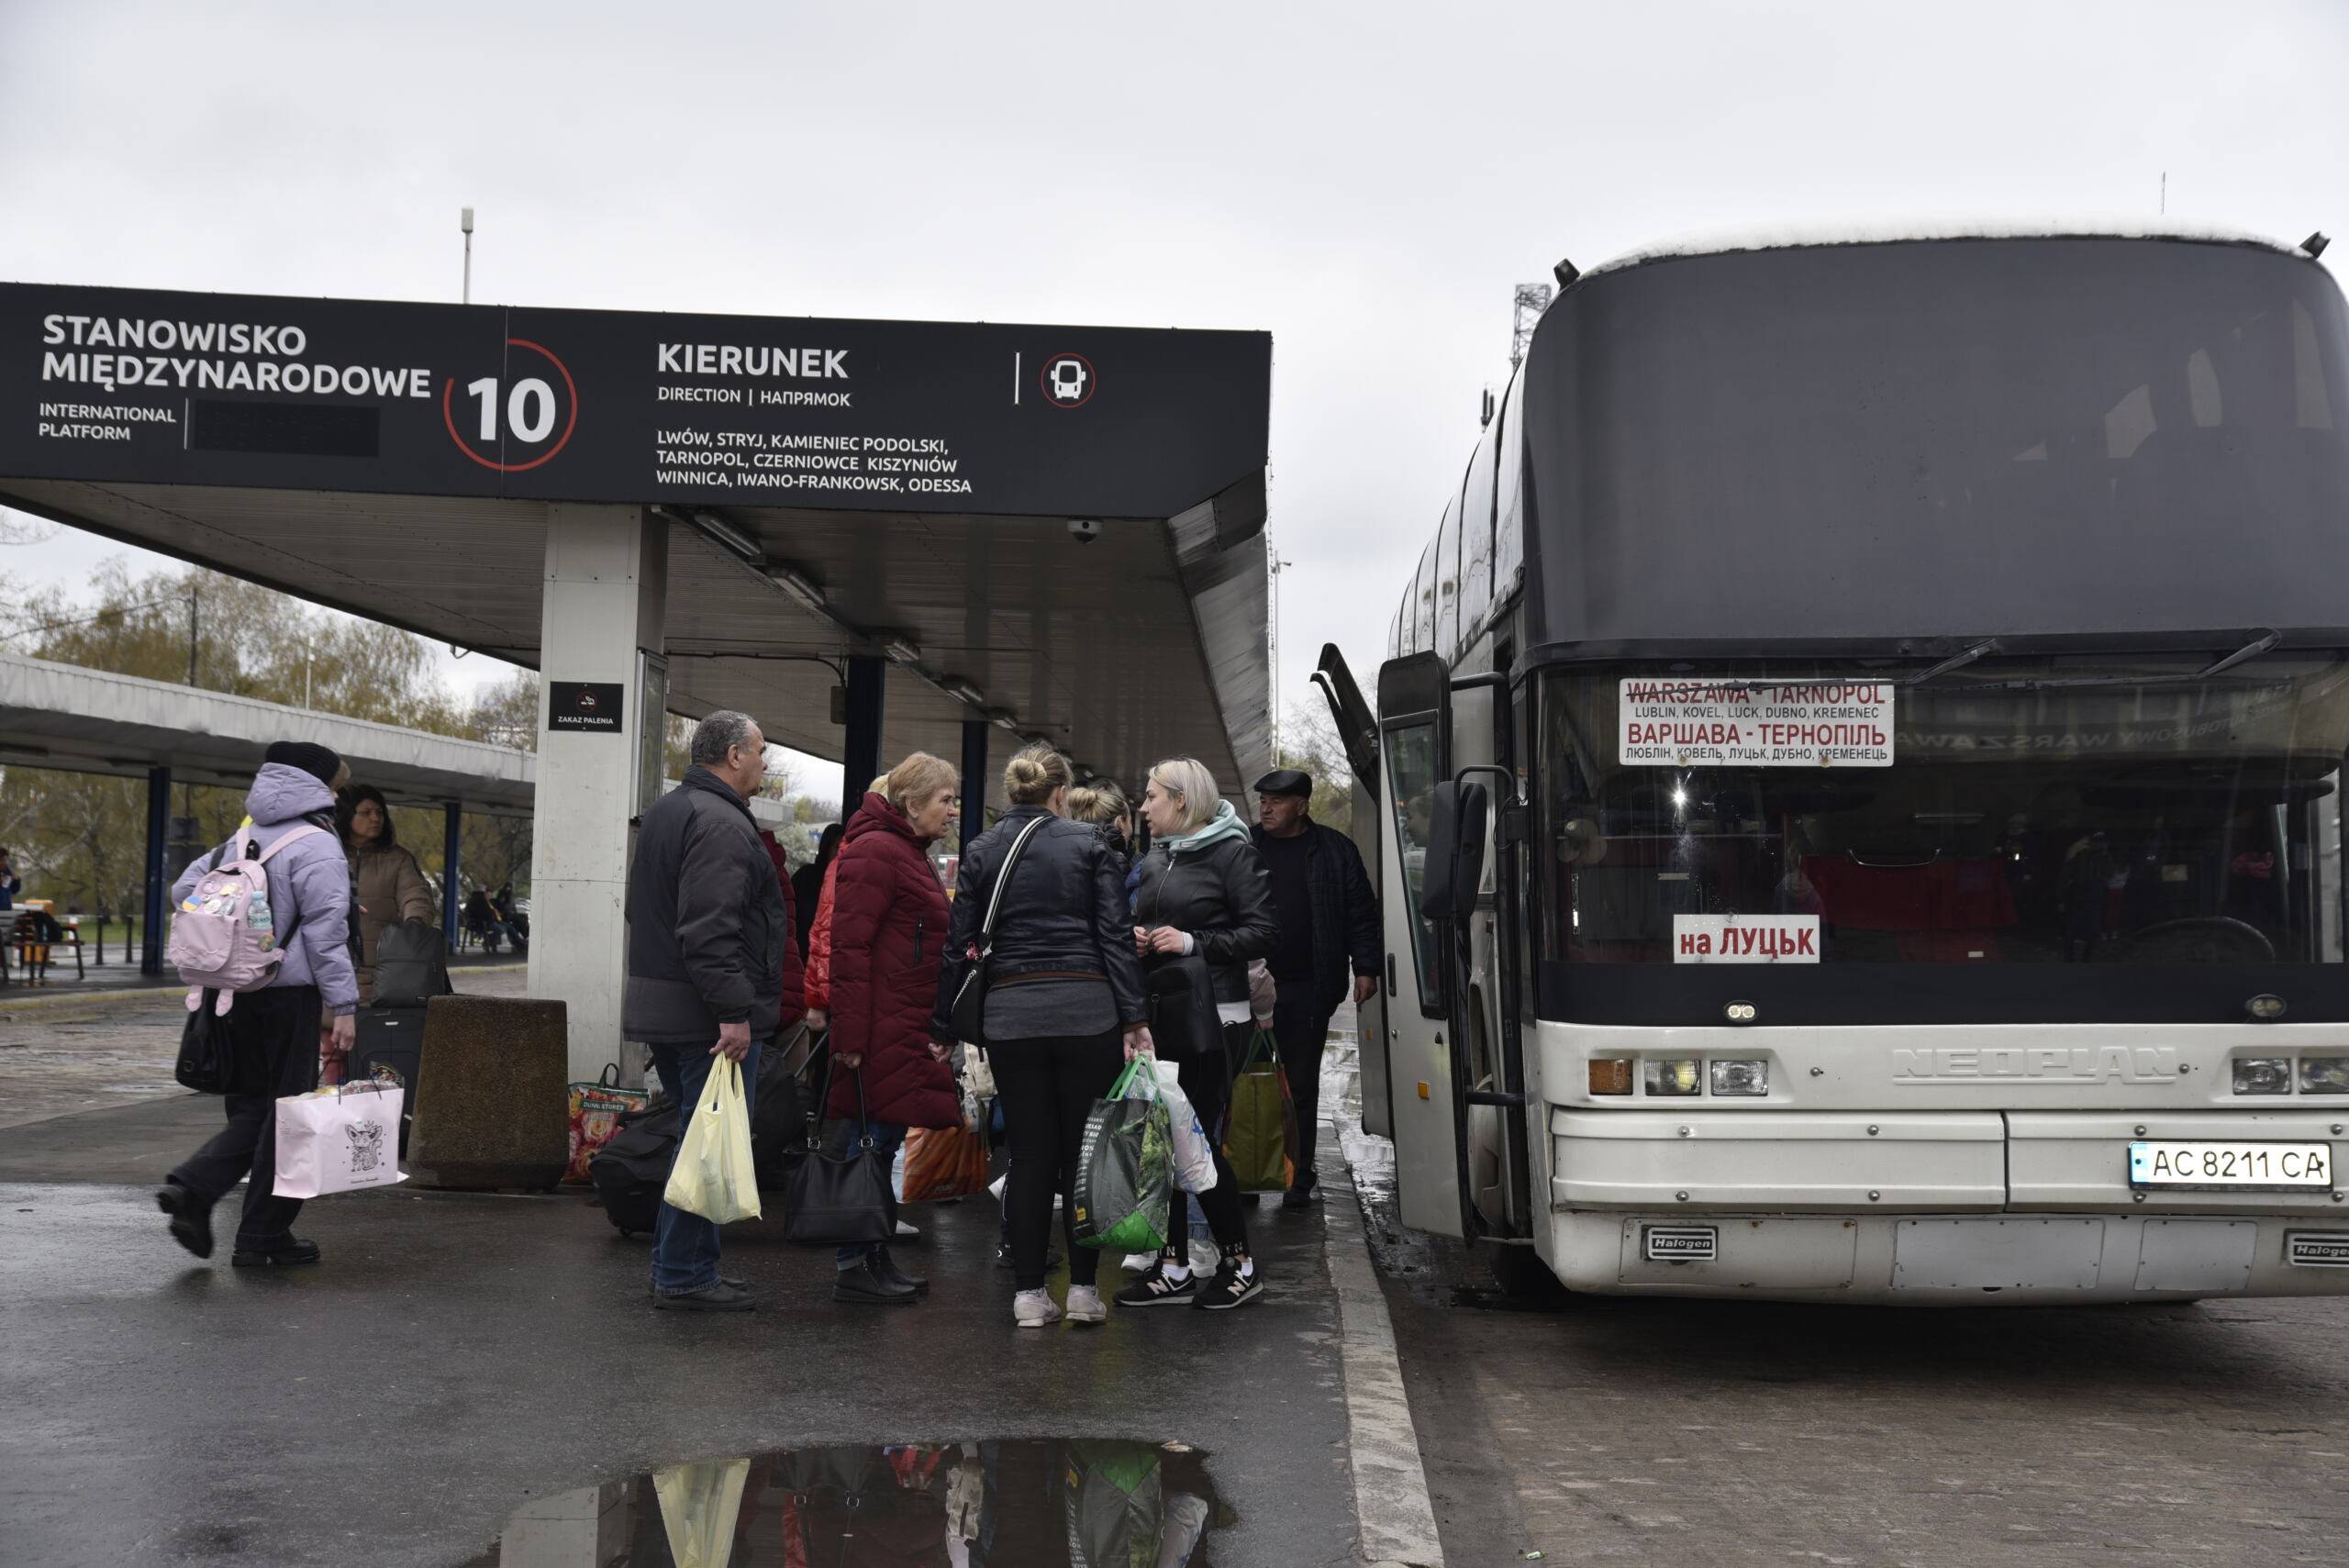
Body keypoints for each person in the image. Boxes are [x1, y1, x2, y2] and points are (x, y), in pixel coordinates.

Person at [935, 746, 1152, 1328]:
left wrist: (941, 1026)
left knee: (1030, 1156)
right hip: (1088, 1015)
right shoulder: (1091, 846)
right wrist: (1135, 1018)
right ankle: (1083, 1291)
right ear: (1060, 794)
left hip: (1011, 1018)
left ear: (1013, 793)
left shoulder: (980, 850)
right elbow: (1113, 936)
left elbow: (960, 947)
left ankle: (1029, 1296)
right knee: (1084, 1155)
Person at [156, 741, 358, 1267]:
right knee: (288, 1118)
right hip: (287, 998)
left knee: (251, 1110)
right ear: (317, 786)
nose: (338, 797)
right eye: (337, 786)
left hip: (230, 995)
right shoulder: (317, 845)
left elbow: (184, 891)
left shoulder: (241, 838)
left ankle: (197, 1192)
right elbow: (326, 937)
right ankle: (262, 1234)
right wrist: (344, 1006)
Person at [622, 711, 791, 1311]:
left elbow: (646, 913)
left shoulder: (670, 812)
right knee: (707, 1141)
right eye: (762, 749)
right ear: (735, 754)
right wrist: (734, 1010)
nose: (766, 763)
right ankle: (682, 1271)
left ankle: (689, 1263)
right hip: (704, 1017)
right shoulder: (719, 823)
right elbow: (710, 929)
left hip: (664, 1005)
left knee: (699, 1137)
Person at [1119, 758, 1277, 1311]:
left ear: (1182, 802)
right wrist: (1139, 938)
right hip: (1165, 1016)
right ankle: (1175, 1266)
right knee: (1162, 1142)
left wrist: (1191, 943)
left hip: (1217, 1019)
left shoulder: (1235, 855)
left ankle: (1241, 1264)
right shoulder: (1158, 856)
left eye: (1151, 796)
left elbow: (1263, 933)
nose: (1143, 807)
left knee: (1197, 1141)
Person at [825, 752, 964, 1305]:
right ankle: (855, 1260)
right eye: (944, 801)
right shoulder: (880, 852)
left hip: (899, 1020)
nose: (951, 810)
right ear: (911, 806)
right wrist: (851, 1039)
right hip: (880, 1024)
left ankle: (871, 1255)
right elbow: (849, 949)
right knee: (871, 1145)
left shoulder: (904, 851)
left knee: (880, 1144)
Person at [1249, 768, 1381, 1207]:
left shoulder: (1335, 851)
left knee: (1300, 1085)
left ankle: (1298, 1177)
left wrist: (1366, 968)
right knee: (1245, 1082)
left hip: (1307, 985)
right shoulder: (1244, 846)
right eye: (1264, 800)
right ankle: (1245, 1172)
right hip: (1247, 987)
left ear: (1302, 805)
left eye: (1277, 801)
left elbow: (1361, 914)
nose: (1266, 808)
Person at [334, 784, 436, 1006]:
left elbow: (415, 894)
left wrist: (415, 923)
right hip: (332, 973)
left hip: (382, 973)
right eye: (366, 812)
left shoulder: (398, 859)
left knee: (376, 1036)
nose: (375, 818)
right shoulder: (327, 855)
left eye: (380, 812)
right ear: (345, 815)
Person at [792, 823, 842, 962]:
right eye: (837, 847)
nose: (841, 854)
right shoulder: (806, 877)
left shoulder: (849, 885)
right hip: (800, 955)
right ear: (826, 848)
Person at [0, 846, 20, 910]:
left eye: (5, 860)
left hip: (6, 910)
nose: (4, 863)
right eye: (2, 860)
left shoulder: (8, 871)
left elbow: (14, 890)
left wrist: (17, 881)